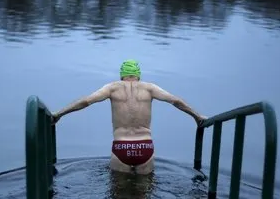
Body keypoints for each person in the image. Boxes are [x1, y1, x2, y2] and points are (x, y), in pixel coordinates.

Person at [52, 60, 207, 175]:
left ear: (121, 75)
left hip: (121, 147)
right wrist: (197, 116)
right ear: (138, 76)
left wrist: (59, 114)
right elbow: (176, 101)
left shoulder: (112, 88)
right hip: (145, 147)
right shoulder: (150, 88)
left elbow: (86, 101)